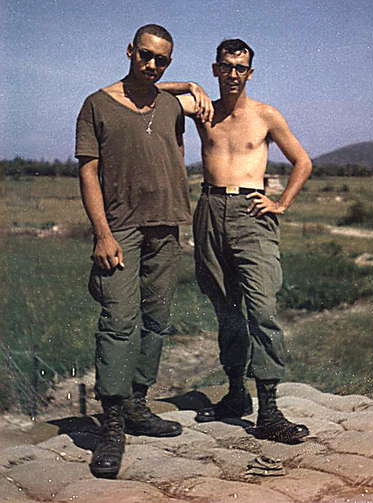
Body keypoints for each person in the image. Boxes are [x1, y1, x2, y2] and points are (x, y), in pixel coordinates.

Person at [75, 24, 213, 479]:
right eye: (145, 56)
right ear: (130, 50)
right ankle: (111, 424)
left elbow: (187, 94)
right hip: (121, 228)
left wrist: (190, 84)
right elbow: (88, 173)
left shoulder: (172, 104)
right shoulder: (96, 105)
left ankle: (136, 404)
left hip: (167, 225)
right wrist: (102, 234)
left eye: (162, 61)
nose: (152, 65)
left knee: (155, 319)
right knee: (118, 321)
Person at [163, 39, 312, 444]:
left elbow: (303, 161)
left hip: (251, 213)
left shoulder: (265, 115)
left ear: (250, 73)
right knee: (226, 309)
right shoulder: (203, 109)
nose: (233, 74)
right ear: (216, 69)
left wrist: (281, 202)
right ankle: (234, 394)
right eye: (226, 67)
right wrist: (188, 85)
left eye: (240, 68)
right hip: (210, 209)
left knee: (262, 309)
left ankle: (269, 410)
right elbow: (147, 89)